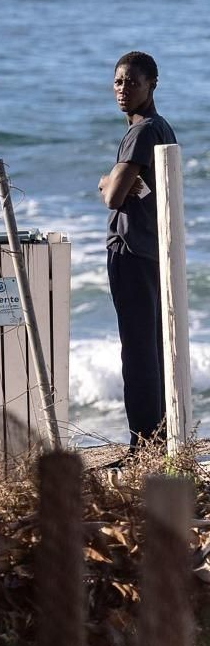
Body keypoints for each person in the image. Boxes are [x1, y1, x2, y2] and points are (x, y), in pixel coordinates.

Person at [99, 50, 178, 451]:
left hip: (130, 249)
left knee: (137, 351)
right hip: (153, 249)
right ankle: (158, 438)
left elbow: (113, 196)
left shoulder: (143, 131)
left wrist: (105, 181)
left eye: (132, 81)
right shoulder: (161, 128)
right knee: (152, 348)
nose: (123, 89)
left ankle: (143, 445)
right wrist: (116, 182)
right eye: (118, 81)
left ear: (152, 85)